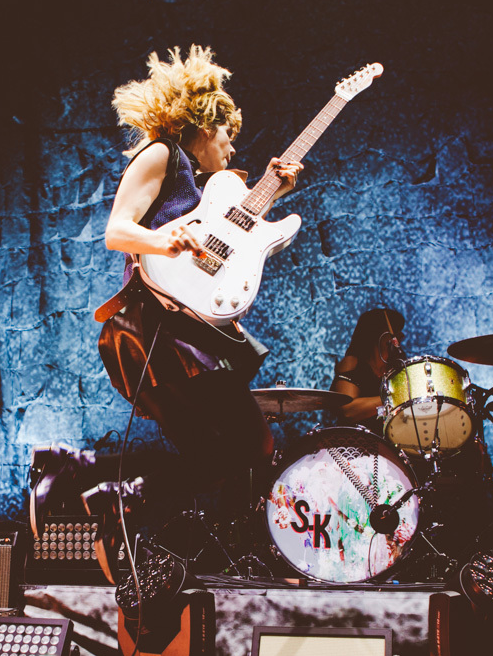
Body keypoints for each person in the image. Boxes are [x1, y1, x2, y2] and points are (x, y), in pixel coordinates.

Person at [29, 45, 303, 583]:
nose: (231, 148)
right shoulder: (160, 154)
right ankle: (107, 485)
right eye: (229, 137)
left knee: (212, 455)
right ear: (206, 124)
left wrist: (271, 193)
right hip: (155, 329)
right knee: (254, 442)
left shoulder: (196, 186)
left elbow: (222, 243)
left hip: (178, 327)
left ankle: (110, 489)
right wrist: (162, 239)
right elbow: (117, 231)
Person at [329, 307, 407, 424]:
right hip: (356, 438)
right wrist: (396, 397)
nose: (401, 335)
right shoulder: (352, 362)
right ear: (380, 335)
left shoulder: (395, 366)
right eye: (395, 331)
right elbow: (348, 411)